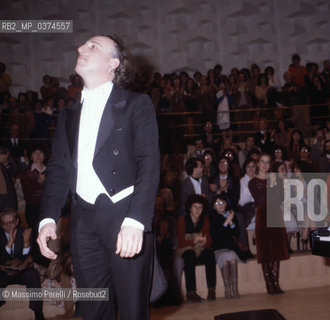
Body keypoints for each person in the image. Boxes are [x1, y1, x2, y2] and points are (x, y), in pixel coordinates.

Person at [37, 35, 160, 319]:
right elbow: (57, 169)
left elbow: (149, 164)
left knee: (132, 311)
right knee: (92, 310)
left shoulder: (136, 104)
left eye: (93, 46)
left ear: (113, 63)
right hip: (83, 222)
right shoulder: (68, 115)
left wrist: (136, 221)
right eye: (83, 45)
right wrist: (46, 220)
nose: (81, 48)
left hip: (124, 219)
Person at [249, 153, 289, 295]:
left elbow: (280, 198)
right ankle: (269, 284)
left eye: (267, 162)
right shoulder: (253, 182)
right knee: (265, 251)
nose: (265, 165)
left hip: (275, 213)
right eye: (262, 162)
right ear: (258, 164)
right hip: (262, 214)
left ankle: (276, 283)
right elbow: (260, 199)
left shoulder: (276, 179)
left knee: (277, 250)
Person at [0, 209, 45, 320]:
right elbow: (2, 259)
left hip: (21, 271)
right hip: (3, 272)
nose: (9, 225)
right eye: (5, 223)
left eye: (11, 221)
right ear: (1, 224)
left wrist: (26, 244)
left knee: (33, 274)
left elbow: (29, 257)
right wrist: (10, 242)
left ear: (17, 221)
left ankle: (38, 312)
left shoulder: (25, 232)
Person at [176, 195, 216, 302]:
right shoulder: (182, 220)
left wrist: (205, 242)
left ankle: (212, 290)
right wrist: (194, 240)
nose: (197, 210)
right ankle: (191, 293)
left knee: (210, 255)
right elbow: (180, 242)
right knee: (189, 255)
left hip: (200, 248)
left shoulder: (205, 219)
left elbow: (209, 240)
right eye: (195, 207)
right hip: (185, 248)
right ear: (190, 207)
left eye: (200, 207)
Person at [210, 194, 245, 299]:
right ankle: (227, 290)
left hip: (231, 248)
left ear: (226, 204)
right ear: (213, 206)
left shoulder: (231, 216)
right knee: (226, 259)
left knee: (232, 259)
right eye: (217, 203)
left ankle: (235, 289)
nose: (220, 205)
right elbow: (217, 237)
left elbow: (237, 234)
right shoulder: (212, 218)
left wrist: (231, 222)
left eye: (222, 202)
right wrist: (226, 222)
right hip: (218, 249)